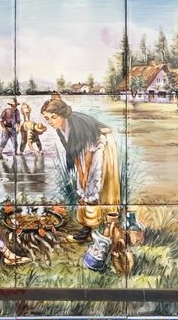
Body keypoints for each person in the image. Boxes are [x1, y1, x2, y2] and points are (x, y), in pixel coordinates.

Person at [41, 97, 121, 243]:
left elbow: (87, 154)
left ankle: (106, 226)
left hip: (101, 144)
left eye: (53, 117)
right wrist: (80, 175)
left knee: (95, 182)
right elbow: (74, 154)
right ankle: (87, 228)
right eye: (47, 118)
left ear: (62, 115)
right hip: (88, 150)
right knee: (82, 186)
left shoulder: (77, 126)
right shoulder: (60, 130)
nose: (50, 121)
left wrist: (85, 176)